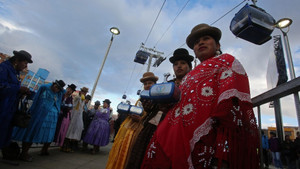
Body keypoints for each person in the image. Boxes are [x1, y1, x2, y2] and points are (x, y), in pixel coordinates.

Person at [141, 23, 260, 169]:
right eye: (196, 42)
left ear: (217, 45)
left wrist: (222, 150)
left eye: (206, 38)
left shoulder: (228, 62)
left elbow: (230, 107)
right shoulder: (189, 76)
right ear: (195, 52)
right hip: (174, 139)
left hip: (207, 141)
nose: (200, 43)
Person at [125, 48, 193, 169]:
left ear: (189, 66)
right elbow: (152, 108)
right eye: (176, 64)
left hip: (182, 129)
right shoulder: (166, 85)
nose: (179, 66)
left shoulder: (194, 84)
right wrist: (148, 103)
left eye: (183, 63)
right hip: (155, 127)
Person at [106, 72, 158, 169]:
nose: (147, 85)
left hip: (142, 131)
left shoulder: (158, 99)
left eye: (150, 83)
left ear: (155, 84)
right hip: (129, 128)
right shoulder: (141, 98)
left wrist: (141, 120)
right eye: (145, 84)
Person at [12, 80, 65, 162]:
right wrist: (32, 111)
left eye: (59, 88)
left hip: (49, 118)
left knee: (37, 134)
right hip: (37, 114)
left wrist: (57, 111)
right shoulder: (44, 88)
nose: (56, 89)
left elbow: (58, 103)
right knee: (30, 132)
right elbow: (36, 99)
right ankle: (24, 153)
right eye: (56, 87)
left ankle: (32, 152)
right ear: (53, 84)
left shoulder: (59, 93)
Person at [0, 50, 32, 149]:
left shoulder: (15, 72)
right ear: (17, 60)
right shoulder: (4, 68)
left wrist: (21, 93)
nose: (26, 66)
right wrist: (18, 89)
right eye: (25, 63)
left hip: (8, 110)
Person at [65, 87, 89, 152]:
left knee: (77, 129)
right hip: (74, 115)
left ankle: (71, 145)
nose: (84, 93)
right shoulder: (77, 97)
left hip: (78, 116)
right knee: (70, 129)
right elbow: (75, 103)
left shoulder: (83, 99)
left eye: (85, 92)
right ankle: (66, 146)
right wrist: (81, 97)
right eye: (83, 92)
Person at [54, 84, 76, 149]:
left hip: (64, 115)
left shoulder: (70, 98)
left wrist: (65, 106)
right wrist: (65, 106)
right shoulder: (61, 94)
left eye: (71, 90)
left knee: (60, 130)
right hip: (57, 113)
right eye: (68, 89)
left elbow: (70, 107)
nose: (69, 91)